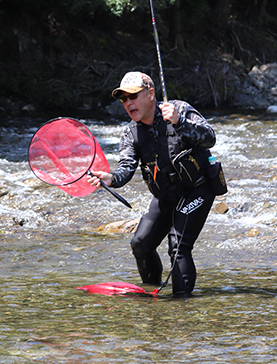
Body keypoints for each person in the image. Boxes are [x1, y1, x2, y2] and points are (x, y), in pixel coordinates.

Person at [88, 71, 218, 296]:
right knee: (140, 243)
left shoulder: (179, 109)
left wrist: (180, 122)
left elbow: (210, 138)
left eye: (133, 96)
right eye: (124, 99)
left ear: (150, 94)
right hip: (165, 195)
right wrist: (110, 178)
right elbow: (126, 168)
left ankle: (181, 306)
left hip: (198, 188)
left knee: (177, 246)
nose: (128, 103)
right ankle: (151, 295)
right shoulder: (131, 132)